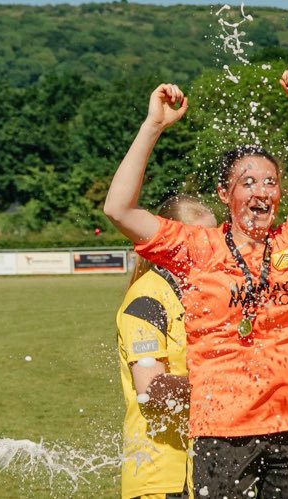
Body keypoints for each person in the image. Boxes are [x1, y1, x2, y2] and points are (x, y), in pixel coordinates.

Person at [103, 67, 288, 498]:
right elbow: (118, 209)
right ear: (224, 194)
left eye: (270, 182)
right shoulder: (197, 248)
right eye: (248, 182)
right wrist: (153, 127)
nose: (261, 192)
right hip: (221, 430)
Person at [117, 195, 215, 499]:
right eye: (201, 240)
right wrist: (223, 384)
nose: (213, 249)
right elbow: (151, 389)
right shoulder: (146, 300)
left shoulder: (201, 292)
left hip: (197, 467)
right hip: (160, 476)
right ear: (171, 243)